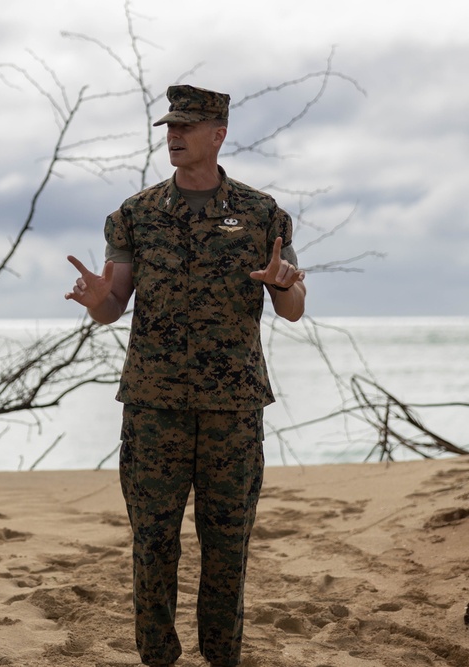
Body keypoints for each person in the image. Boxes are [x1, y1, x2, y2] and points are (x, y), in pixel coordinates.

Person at [65, 85, 306, 667]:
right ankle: (157, 657)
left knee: (227, 545)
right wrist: (98, 299)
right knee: (152, 541)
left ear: (218, 134)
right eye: (169, 126)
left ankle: (222, 655)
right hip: (154, 404)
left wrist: (283, 283)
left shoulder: (261, 212)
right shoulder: (135, 214)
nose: (173, 136)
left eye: (187, 127)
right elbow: (114, 303)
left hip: (233, 406)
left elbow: (293, 307)